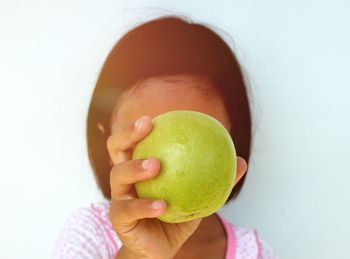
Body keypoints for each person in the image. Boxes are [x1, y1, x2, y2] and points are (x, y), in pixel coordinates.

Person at [53, 16, 278, 259]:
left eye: (196, 139)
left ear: (231, 137)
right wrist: (139, 255)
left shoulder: (255, 253)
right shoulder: (88, 233)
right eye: (145, 134)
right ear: (107, 141)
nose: (173, 162)